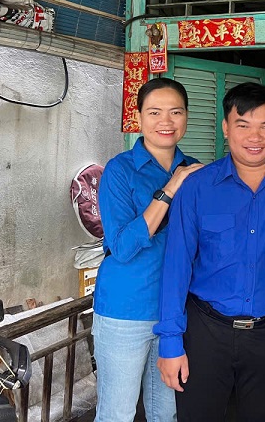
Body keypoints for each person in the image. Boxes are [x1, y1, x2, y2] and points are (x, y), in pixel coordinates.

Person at [154, 82, 265, 422]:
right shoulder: (197, 187)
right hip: (206, 332)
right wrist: (170, 343)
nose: (255, 137)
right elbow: (177, 267)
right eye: (243, 125)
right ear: (225, 127)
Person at [94, 77, 203, 422]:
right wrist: (171, 187)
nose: (166, 121)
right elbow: (122, 247)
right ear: (138, 116)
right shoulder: (120, 170)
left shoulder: (197, 171)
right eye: (155, 112)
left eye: (176, 112)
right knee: (117, 414)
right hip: (125, 310)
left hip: (176, 313)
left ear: (186, 117)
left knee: (166, 413)